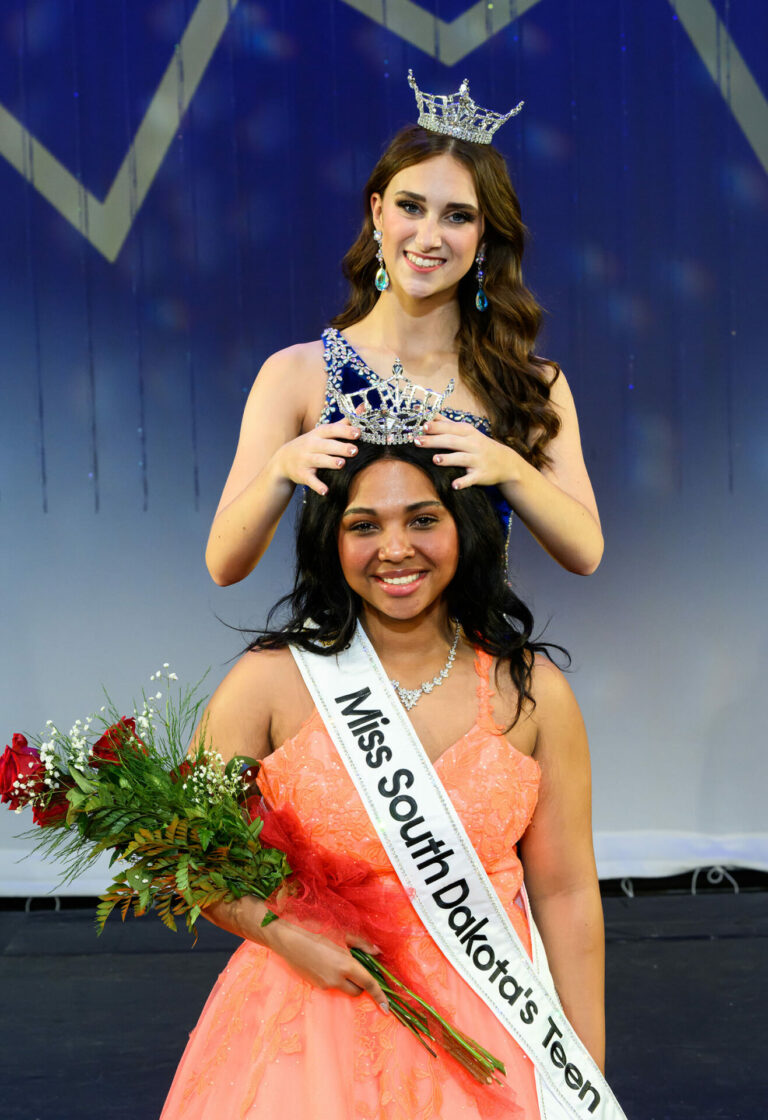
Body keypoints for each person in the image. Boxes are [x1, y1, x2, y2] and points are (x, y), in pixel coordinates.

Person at [162, 440, 606, 1120]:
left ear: (465, 528)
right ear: (331, 541)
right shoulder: (270, 681)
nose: (395, 549)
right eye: (364, 525)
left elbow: (567, 893)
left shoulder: (532, 692)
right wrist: (283, 933)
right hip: (310, 1022)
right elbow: (187, 857)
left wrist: (585, 1076)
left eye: (423, 519)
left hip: (493, 1016)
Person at [205, 74, 603, 588]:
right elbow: (223, 565)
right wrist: (280, 469)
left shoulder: (528, 382)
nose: (428, 237)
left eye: (457, 216)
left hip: (473, 638)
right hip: (341, 639)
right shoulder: (297, 373)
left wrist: (508, 467)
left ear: (484, 235)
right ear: (378, 211)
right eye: (410, 207)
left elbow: (585, 552)